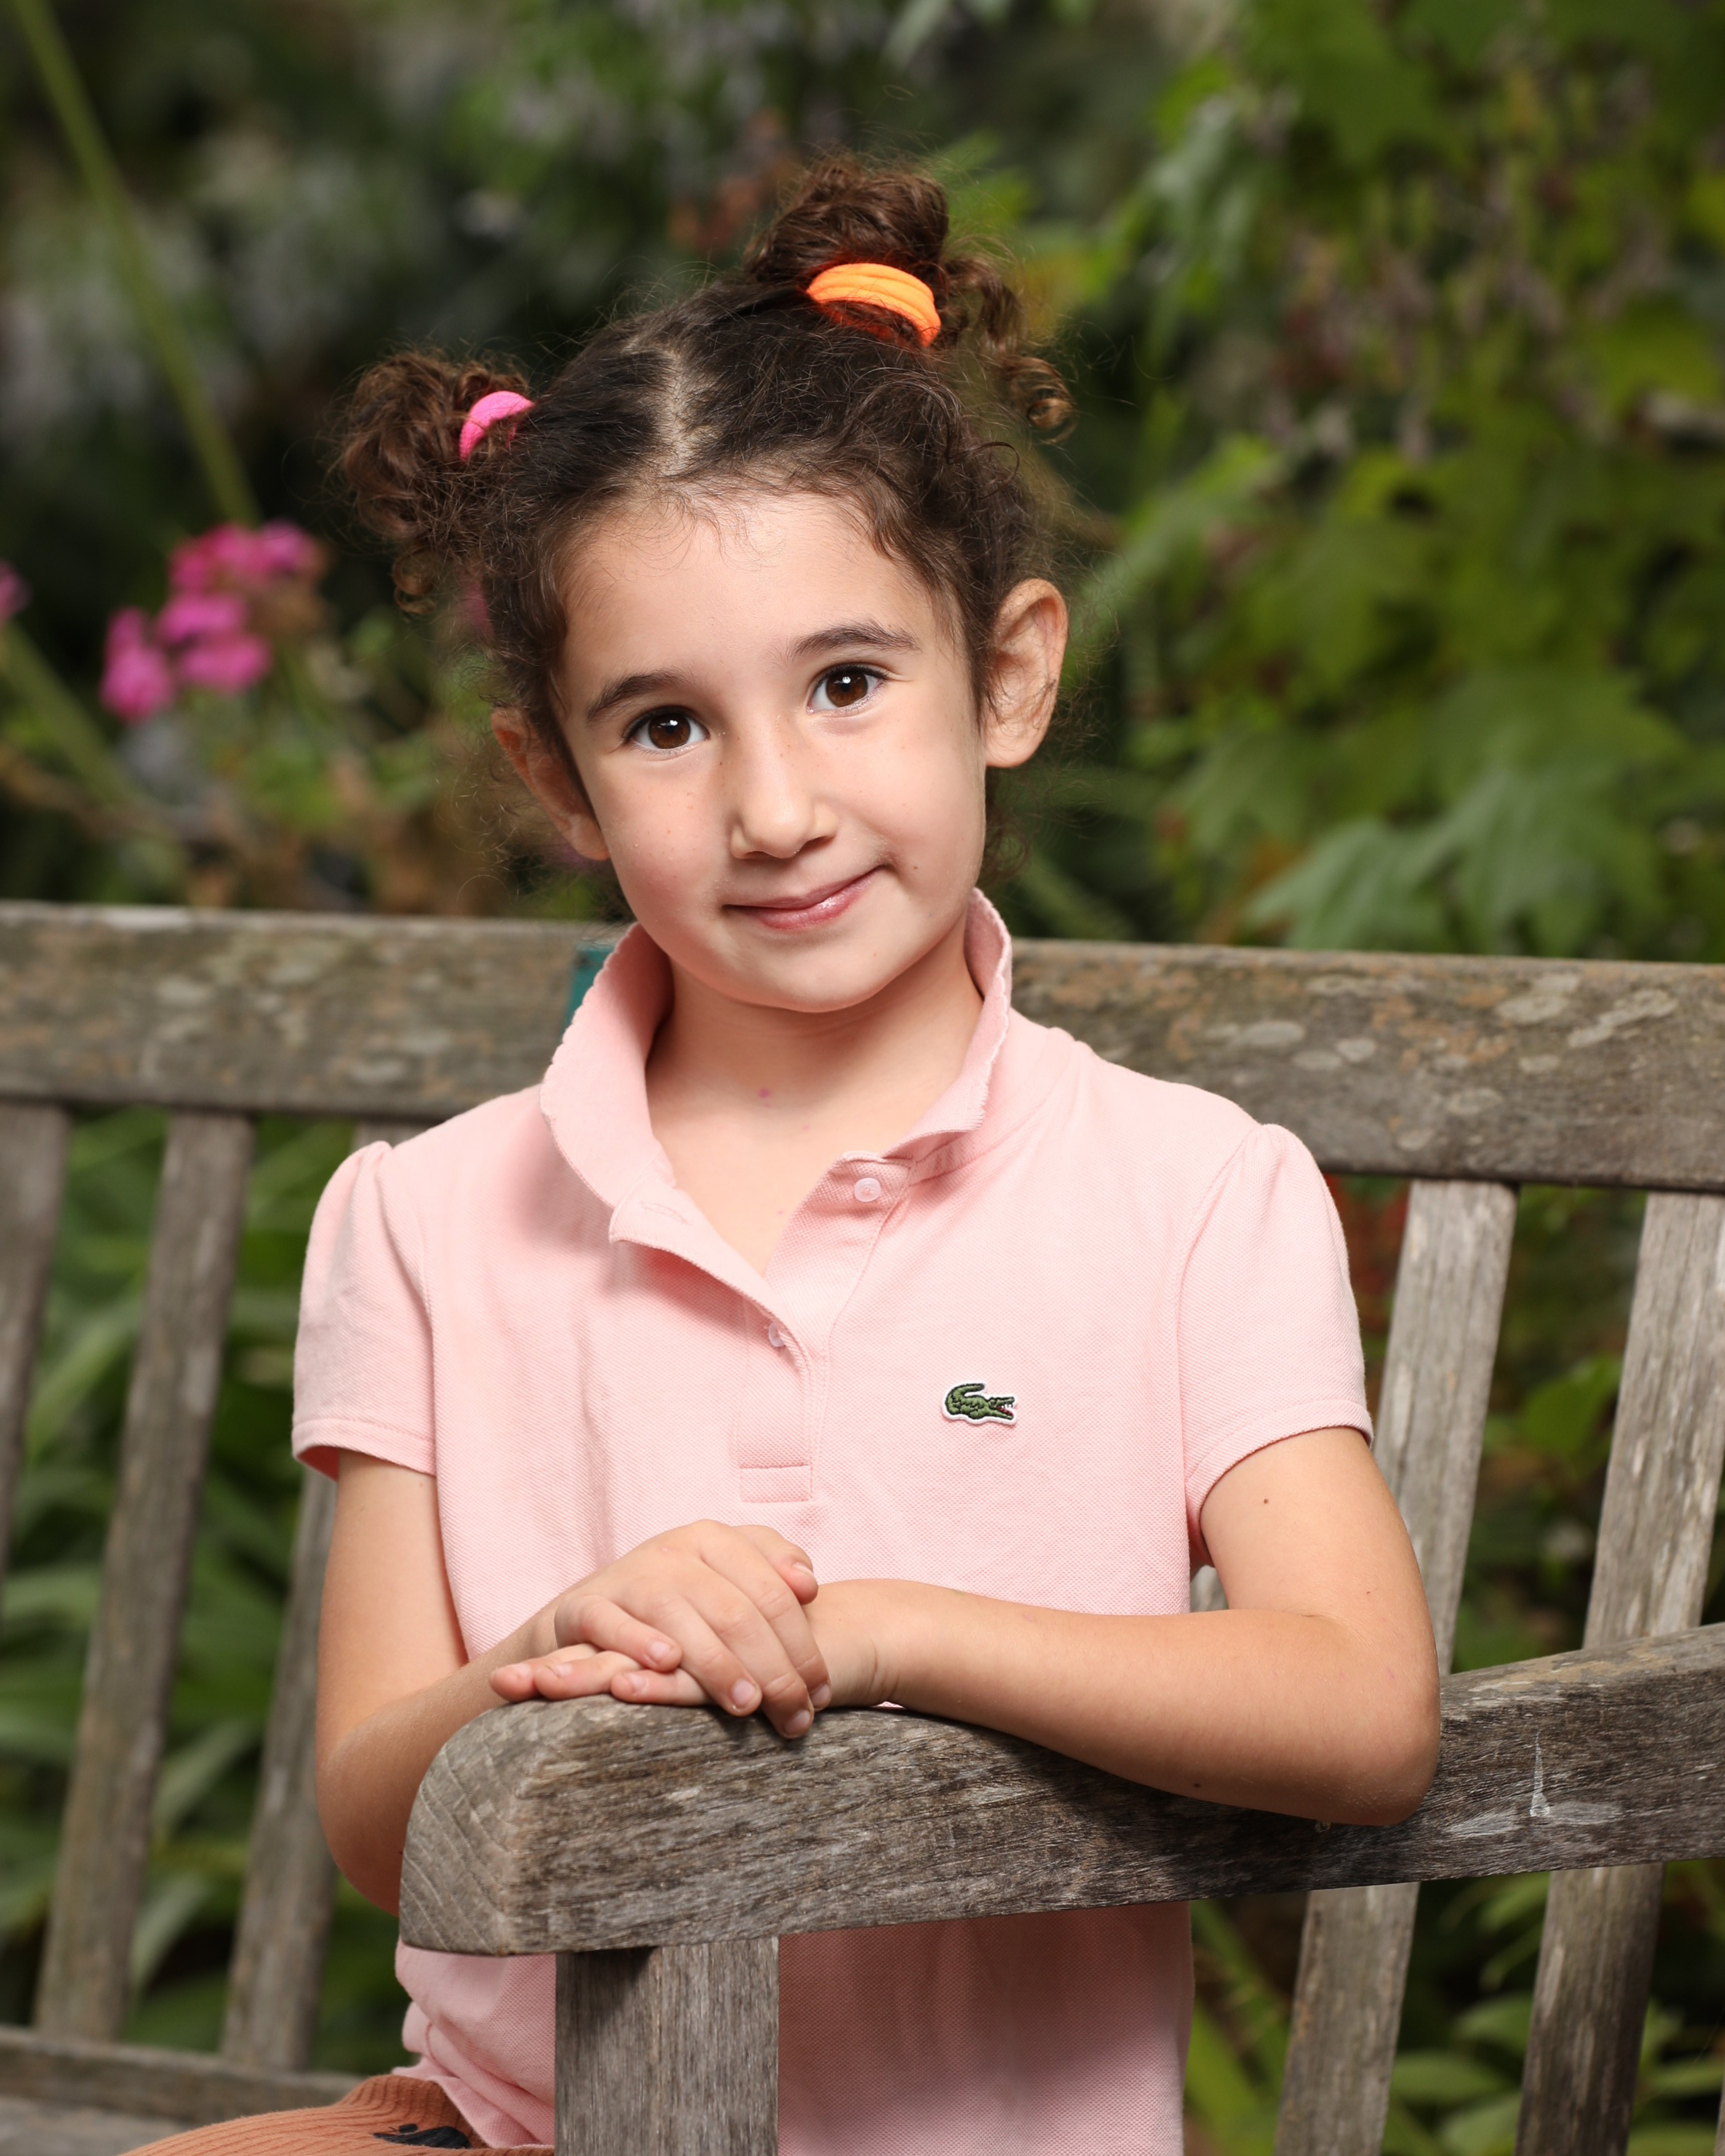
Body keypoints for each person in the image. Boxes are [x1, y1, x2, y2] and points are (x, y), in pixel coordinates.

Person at [146, 158, 1439, 2156]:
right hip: (518, 2130)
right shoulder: (424, 1222)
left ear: (1007, 675)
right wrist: (543, 1662)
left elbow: (1361, 1707)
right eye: (666, 727)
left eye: (846, 684)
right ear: (558, 778)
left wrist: (888, 1634)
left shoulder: (1191, 1196)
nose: (773, 808)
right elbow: (377, 1822)